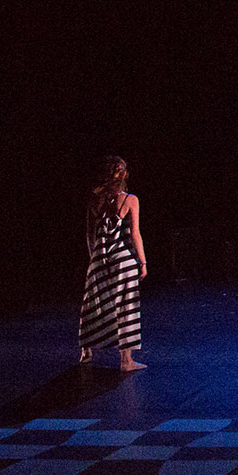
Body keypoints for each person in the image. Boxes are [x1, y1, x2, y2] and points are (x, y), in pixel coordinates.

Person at [80, 155, 146, 371]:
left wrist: (94, 259)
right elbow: (135, 233)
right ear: (124, 174)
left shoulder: (94, 198)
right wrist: (143, 262)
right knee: (126, 307)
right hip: (122, 259)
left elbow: (90, 234)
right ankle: (126, 360)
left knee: (93, 304)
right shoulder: (130, 200)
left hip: (99, 259)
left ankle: (86, 351)